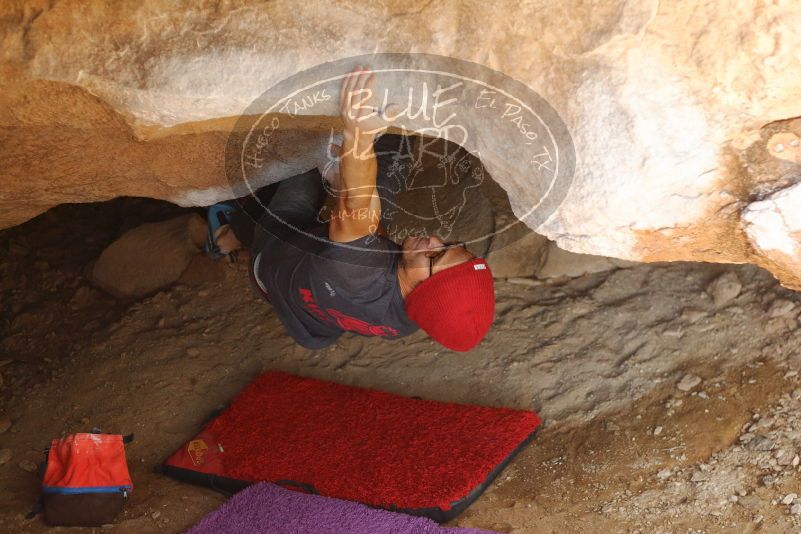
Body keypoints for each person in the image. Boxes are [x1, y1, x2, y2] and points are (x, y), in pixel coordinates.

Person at [207, 66, 495, 352]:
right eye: (449, 244)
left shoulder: (358, 273)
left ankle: (228, 234)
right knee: (394, 157)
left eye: (435, 254)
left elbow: (354, 210)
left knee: (302, 164)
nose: (434, 239)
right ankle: (340, 180)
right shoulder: (409, 318)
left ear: (420, 290)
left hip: (274, 257)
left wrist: (358, 136)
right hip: (311, 316)